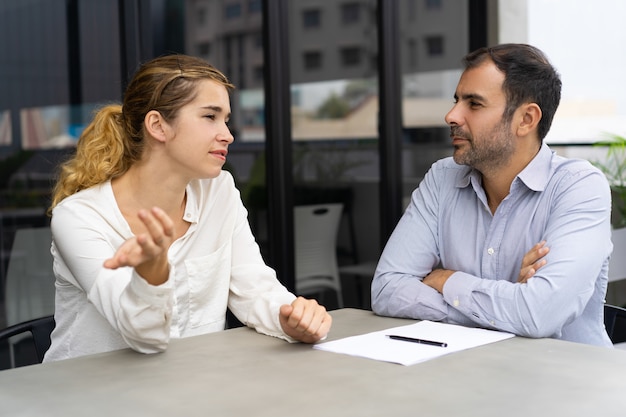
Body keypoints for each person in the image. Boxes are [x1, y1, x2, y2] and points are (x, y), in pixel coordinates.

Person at [44, 54, 332, 362]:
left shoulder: (219, 191)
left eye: (226, 119)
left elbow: (256, 290)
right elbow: (143, 336)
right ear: (158, 126)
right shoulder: (79, 217)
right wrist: (152, 276)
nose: (228, 135)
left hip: (192, 387)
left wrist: (290, 317)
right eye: (210, 117)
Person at [371, 43, 613, 347]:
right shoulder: (442, 178)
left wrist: (448, 281)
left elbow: (539, 313)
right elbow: (387, 289)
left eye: (474, 104)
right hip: (473, 376)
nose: (451, 115)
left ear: (526, 119)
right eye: (457, 100)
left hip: (569, 384)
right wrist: (509, 301)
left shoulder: (578, 187)